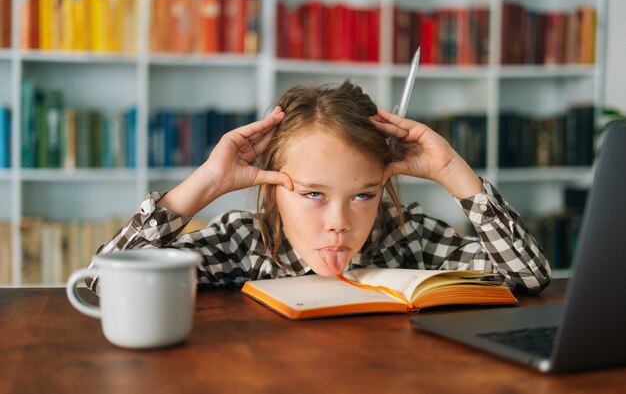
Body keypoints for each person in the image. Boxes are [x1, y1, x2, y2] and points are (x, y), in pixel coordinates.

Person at [88, 80, 551, 295]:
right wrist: (206, 182)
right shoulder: (244, 243)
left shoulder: (404, 236)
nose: (338, 224)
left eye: (363, 195)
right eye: (313, 194)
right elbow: (99, 283)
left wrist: (453, 169)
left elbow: (529, 276)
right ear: (272, 188)